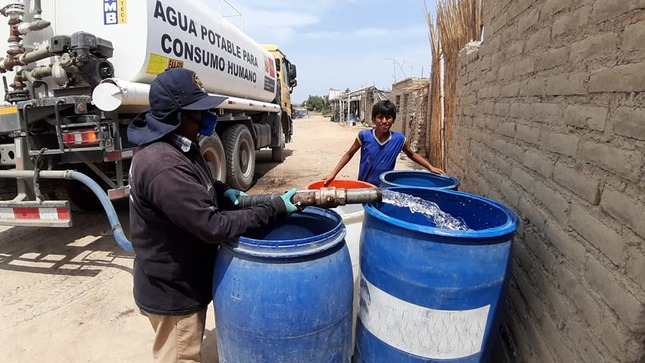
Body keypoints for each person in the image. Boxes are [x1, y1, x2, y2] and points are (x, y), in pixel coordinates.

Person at [127, 68, 298, 363]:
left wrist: (220, 191)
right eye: (200, 111)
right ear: (178, 116)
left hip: (178, 277)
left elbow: (195, 180)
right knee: (180, 354)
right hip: (173, 292)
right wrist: (273, 208)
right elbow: (213, 226)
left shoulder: (177, 144)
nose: (209, 115)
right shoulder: (162, 165)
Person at [323, 99, 445, 186]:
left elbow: (412, 155)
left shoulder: (399, 139)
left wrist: (430, 167)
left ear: (393, 120)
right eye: (380, 117)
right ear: (373, 120)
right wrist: (333, 174)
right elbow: (349, 154)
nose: (384, 121)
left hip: (384, 187)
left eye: (388, 117)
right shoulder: (364, 136)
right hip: (363, 185)